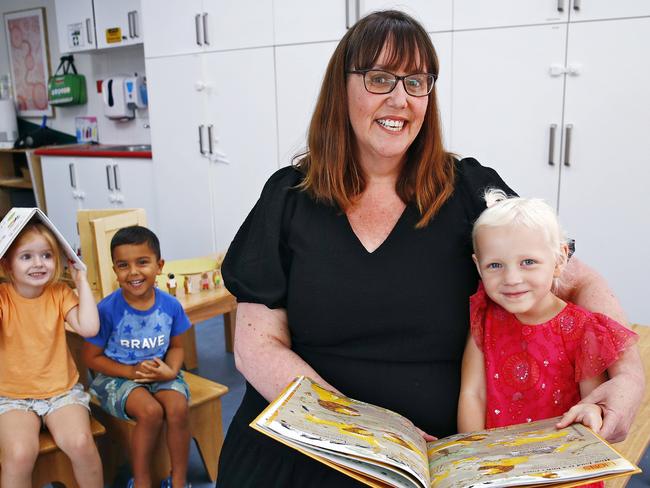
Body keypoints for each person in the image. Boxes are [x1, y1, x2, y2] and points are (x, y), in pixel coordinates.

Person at [217, 10, 645, 487]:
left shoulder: (469, 192)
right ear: (342, 88)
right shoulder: (288, 197)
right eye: (380, 78)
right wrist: (368, 437)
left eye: (416, 82)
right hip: (307, 449)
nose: (400, 98)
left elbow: (577, 277)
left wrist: (627, 379)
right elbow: (256, 347)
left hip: (439, 458)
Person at [457, 191, 639, 487]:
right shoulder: (485, 317)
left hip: (561, 471)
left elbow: (590, 402)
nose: (512, 278)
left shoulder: (583, 328)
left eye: (528, 262)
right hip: (497, 469)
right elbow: (472, 394)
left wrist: (593, 413)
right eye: (495, 265)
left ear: (559, 259)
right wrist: (475, 459)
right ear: (478, 266)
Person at [82, 226, 192, 488]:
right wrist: (131, 373)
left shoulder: (171, 306)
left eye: (142, 262)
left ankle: (178, 480)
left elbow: (177, 347)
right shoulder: (107, 310)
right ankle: (141, 480)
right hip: (116, 378)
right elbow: (91, 358)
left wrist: (170, 371)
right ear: (115, 271)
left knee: (177, 407)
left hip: (159, 372)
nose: (133, 272)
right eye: (123, 265)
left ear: (159, 265)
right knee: (150, 411)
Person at [0, 221, 102, 488]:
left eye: (46, 255)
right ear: (7, 265)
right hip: (12, 397)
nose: (39, 263)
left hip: (61, 393)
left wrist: (81, 280)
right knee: (19, 454)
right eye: (26, 256)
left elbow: (90, 327)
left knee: (81, 443)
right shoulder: (3, 297)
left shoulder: (59, 292)